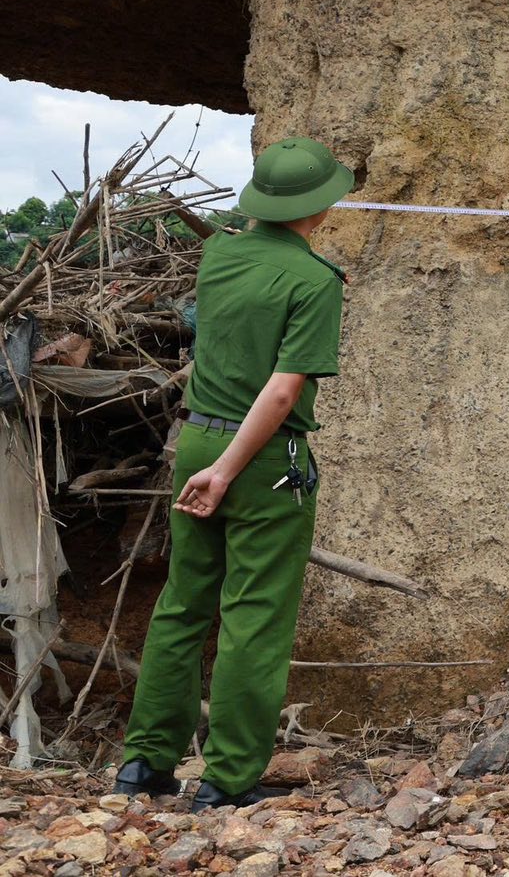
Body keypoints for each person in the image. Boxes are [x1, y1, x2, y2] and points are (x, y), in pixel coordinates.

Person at [116, 138, 354, 809]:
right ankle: (226, 780)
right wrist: (227, 470)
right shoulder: (314, 281)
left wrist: (210, 462)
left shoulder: (219, 253)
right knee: (253, 616)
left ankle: (143, 766)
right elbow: (281, 394)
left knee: (183, 604)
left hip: (193, 440)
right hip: (256, 462)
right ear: (321, 206)